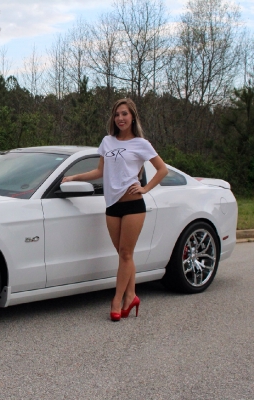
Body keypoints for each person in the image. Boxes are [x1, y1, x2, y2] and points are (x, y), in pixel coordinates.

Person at [62, 98, 168, 321]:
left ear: (132, 117)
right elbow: (100, 170)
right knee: (123, 255)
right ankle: (131, 295)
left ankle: (116, 300)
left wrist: (145, 188)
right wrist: (74, 176)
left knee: (126, 253)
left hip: (133, 204)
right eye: (117, 114)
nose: (120, 118)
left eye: (124, 114)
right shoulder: (107, 142)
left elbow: (162, 170)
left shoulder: (141, 144)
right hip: (111, 205)